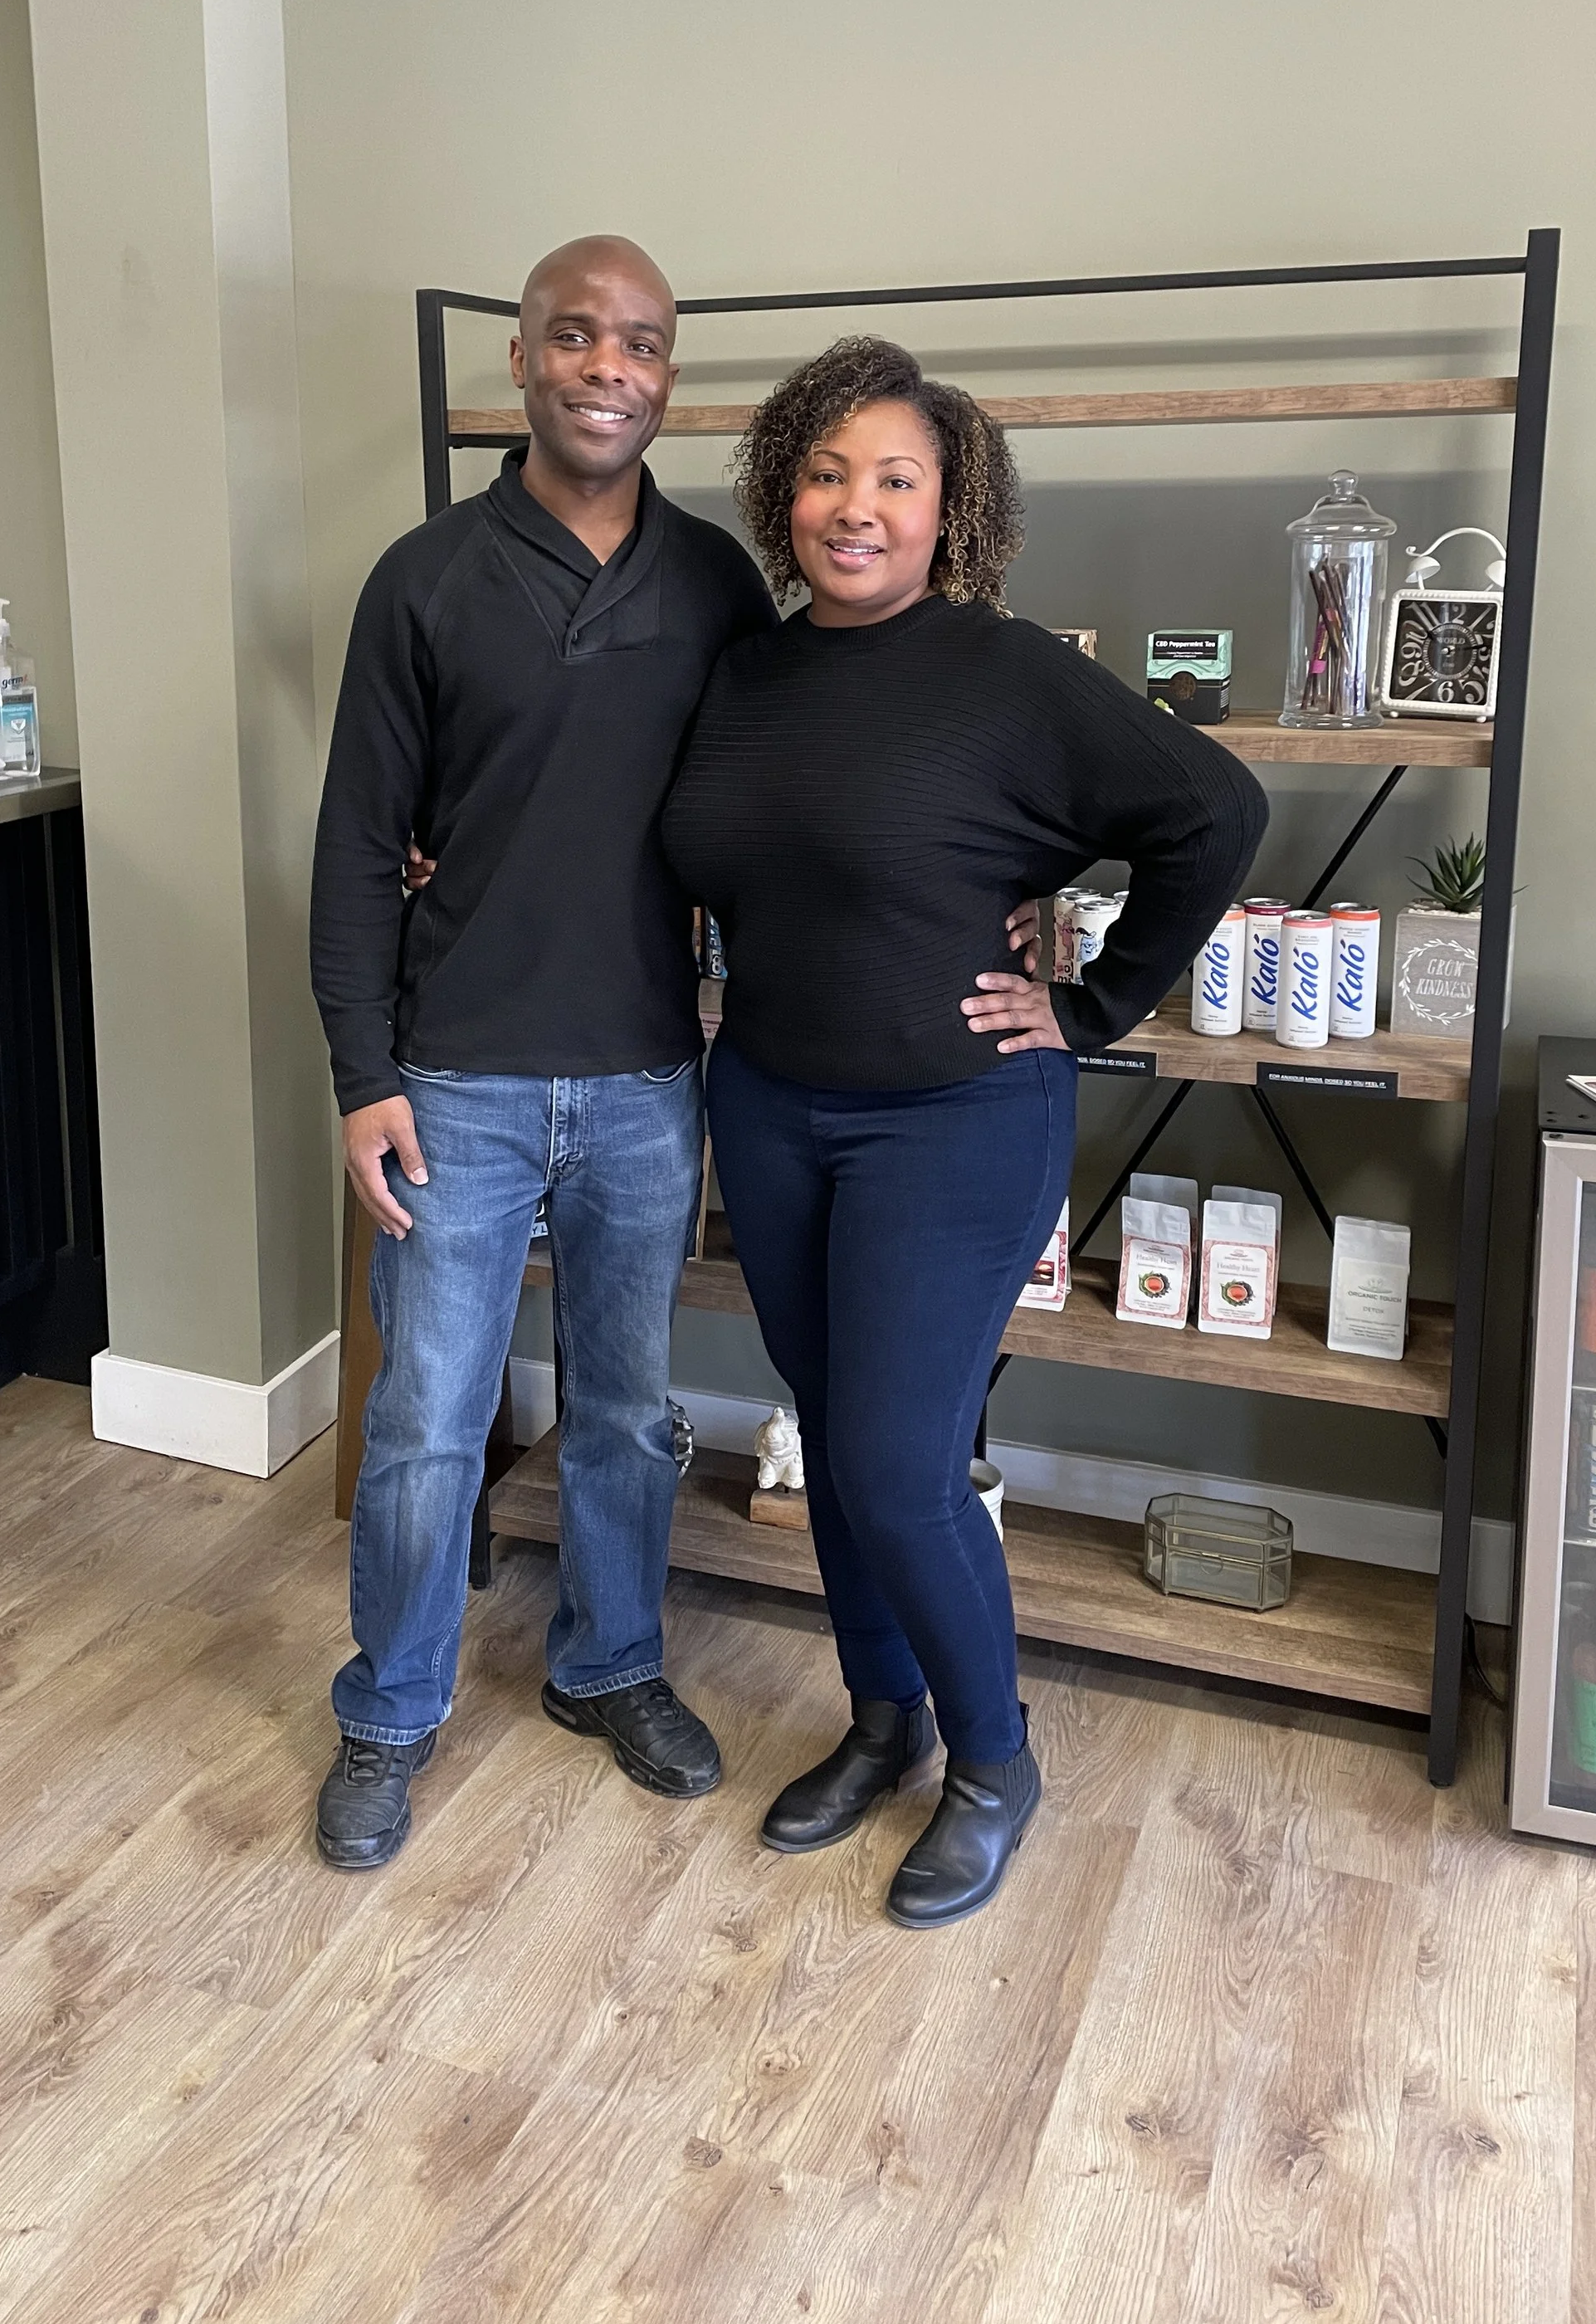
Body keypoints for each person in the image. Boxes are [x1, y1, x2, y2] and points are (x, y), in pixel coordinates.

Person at [662, 337, 1267, 1928]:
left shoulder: (1006, 673)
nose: (855, 507)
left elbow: (1216, 811)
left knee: (897, 1460)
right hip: (770, 1106)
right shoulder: (747, 673)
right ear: (783, 491)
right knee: (833, 1435)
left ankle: (995, 1764)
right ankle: (885, 1722)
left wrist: (1097, 1003)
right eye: (826, 473)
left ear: (953, 509)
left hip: (954, 1121)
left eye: (896, 479)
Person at [308, 235, 776, 1869]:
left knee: (628, 1414)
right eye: (574, 337)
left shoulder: (716, 586)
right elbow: (357, 843)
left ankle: (608, 1665)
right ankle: (389, 1711)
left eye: (638, 343)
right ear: (519, 360)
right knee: (427, 1421)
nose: (606, 368)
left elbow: (776, 801)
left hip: (647, 1080)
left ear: (668, 376)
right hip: (455, 1082)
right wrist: (362, 1073)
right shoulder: (423, 579)